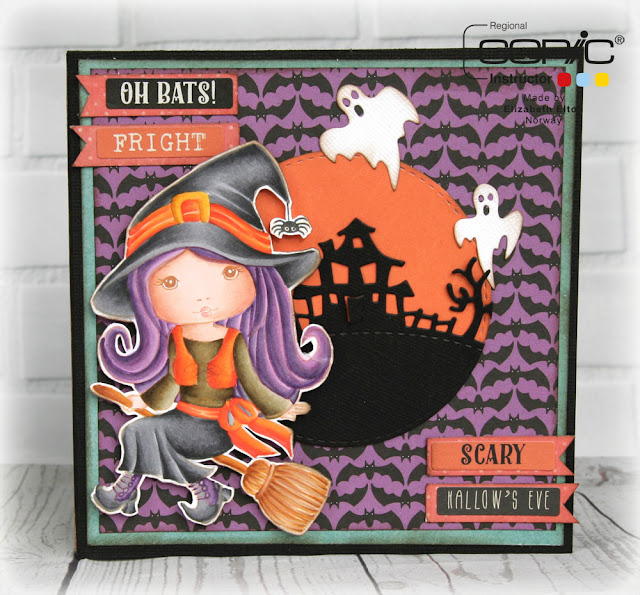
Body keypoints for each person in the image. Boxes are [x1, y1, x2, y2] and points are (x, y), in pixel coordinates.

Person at [90, 143, 332, 526]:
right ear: (142, 293)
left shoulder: (233, 342)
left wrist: (279, 408)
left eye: (228, 274)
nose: (202, 298)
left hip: (218, 428)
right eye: (171, 282)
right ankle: (152, 488)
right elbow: (169, 386)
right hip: (182, 418)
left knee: (148, 434)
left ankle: (187, 488)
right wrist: (146, 400)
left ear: (259, 280)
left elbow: (251, 383)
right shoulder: (177, 342)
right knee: (138, 430)